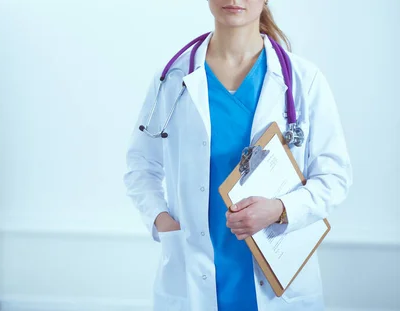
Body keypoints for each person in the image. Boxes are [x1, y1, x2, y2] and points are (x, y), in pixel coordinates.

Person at [123, 0, 352, 310]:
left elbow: (335, 177)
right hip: (193, 274)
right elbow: (141, 164)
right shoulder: (173, 78)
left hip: (276, 280)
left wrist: (280, 209)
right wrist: (160, 219)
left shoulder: (303, 80)